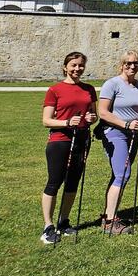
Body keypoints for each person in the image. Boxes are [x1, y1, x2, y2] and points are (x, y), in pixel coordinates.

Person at [40, 52, 98, 244]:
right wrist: (66, 122)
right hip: (60, 140)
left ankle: (63, 221)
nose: (77, 69)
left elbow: (93, 115)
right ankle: (48, 226)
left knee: (73, 181)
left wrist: (91, 118)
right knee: (54, 182)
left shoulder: (89, 89)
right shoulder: (55, 90)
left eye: (81, 65)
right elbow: (46, 120)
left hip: (81, 139)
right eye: (73, 65)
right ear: (65, 67)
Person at [97, 50, 138, 235]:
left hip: (132, 135)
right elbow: (102, 112)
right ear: (122, 64)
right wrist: (126, 124)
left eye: (136, 63)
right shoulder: (112, 84)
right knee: (123, 174)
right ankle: (110, 222)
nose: (132, 66)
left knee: (119, 175)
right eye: (128, 63)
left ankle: (110, 215)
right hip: (114, 133)